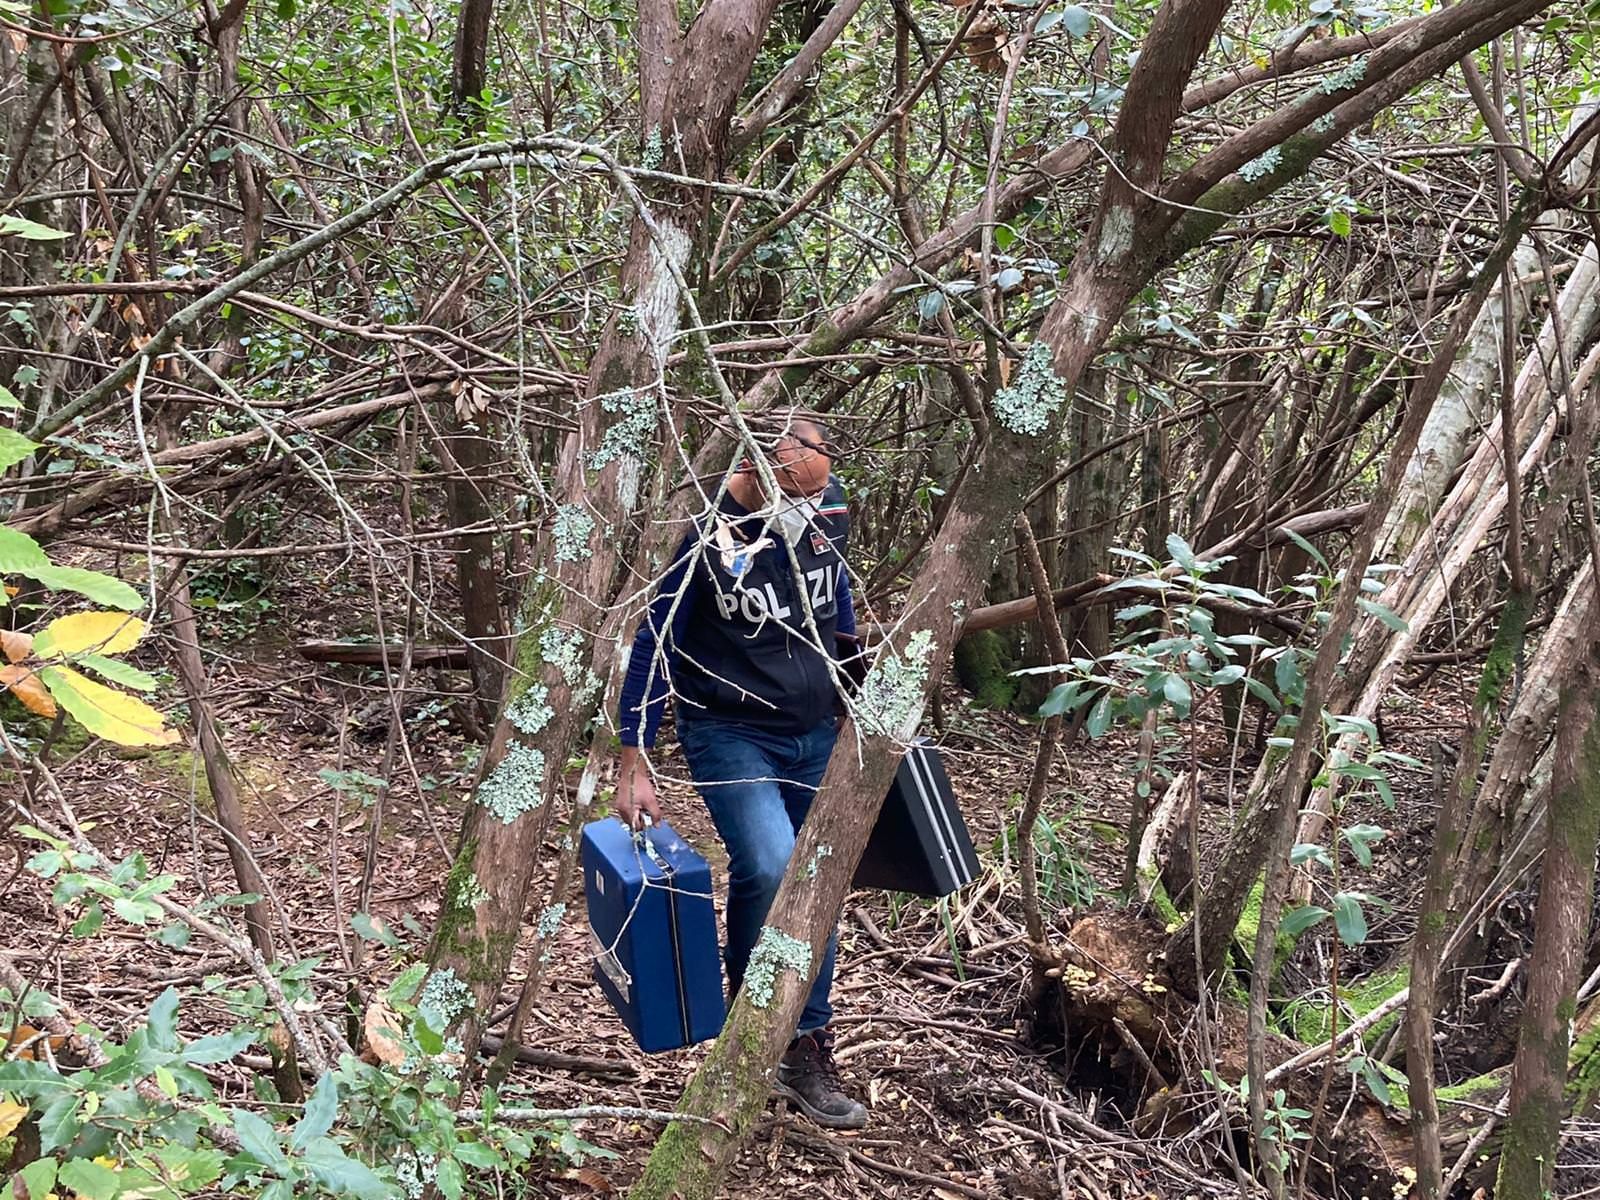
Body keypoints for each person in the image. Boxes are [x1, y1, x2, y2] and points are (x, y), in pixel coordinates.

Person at [613, 417, 868, 1130]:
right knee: (771, 862)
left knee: (822, 872)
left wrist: (856, 693)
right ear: (760, 477)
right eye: (794, 502)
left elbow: (835, 600)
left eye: (818, 501)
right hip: (729, 728)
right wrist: (634, 754)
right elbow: (655, 637)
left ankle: (805, 1044)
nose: (809, 516)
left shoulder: (828, 505)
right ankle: (753, 1026)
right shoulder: (708, 532)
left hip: (816, 726)